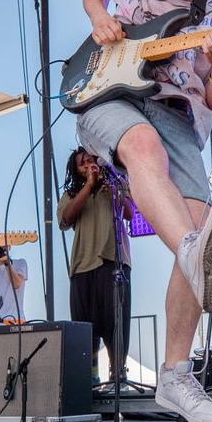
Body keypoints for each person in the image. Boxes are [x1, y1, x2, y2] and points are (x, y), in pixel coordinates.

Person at [75, 0, 212, 422]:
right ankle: (200, 256)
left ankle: (175, 375)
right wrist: (98, 16)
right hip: (106, 92)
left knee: (194, 224)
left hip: (178, 108)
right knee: (143, 149)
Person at [57, 146, 132, 389]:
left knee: (115, 322)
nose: (88, 164)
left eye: (91, 159)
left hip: (114, 260)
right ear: (76, 171)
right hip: (82, 265)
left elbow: (130, 212)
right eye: (82, 163)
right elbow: (66, 220)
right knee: (84, 327)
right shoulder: (71, 193)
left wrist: (111, 187)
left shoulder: (116, 183)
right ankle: (90, 377)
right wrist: (89, 186)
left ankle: (117, 374)